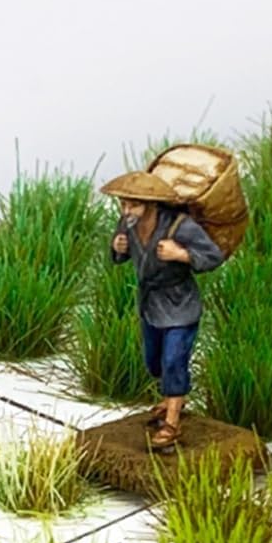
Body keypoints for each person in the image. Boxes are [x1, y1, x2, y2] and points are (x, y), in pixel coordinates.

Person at [101, 170, 226, 450]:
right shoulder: (128, 223)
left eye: (133, 205)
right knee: (155, 363)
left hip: (180, 305)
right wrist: (118, 248)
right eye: (123, 204)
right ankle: (172, 398)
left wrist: (181, 254)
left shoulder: (180, 227)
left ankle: (172, 423)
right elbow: (122, 256)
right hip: (150, 304)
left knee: (173, 361)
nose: (126, 210)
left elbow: (214, 256)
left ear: (151, 204)